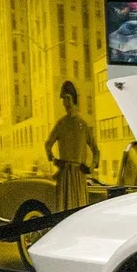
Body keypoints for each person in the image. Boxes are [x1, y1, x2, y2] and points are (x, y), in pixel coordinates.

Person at [44, 80, 101, 212]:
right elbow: (47, 144)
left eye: (68, 98)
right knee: (64, 210)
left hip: (79, 177)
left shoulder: (83, 125)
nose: (65, 103)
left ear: (74, 99)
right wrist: (54, 160)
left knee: (79, 210)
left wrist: (90, 168)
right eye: (63, 99)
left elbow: (96, 151)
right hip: (65, 176)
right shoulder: (61, 124)